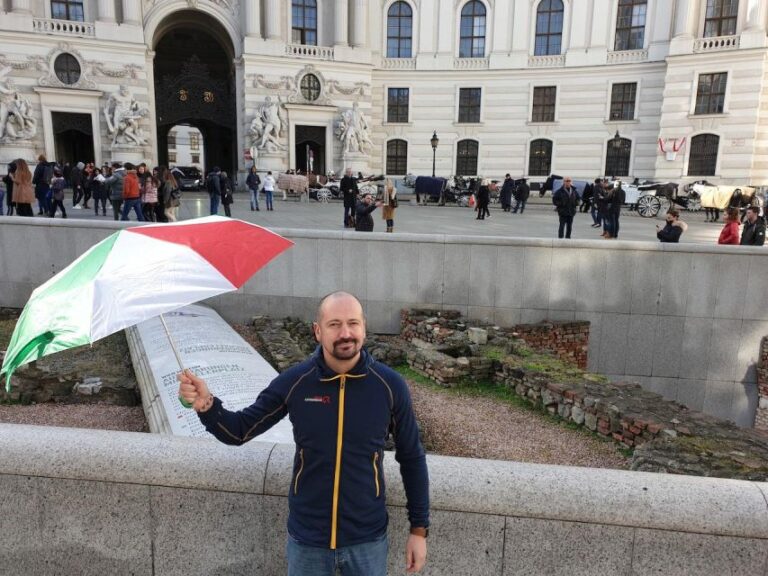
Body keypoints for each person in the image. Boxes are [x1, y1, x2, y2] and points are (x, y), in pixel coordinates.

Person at [177, 291, 430, 576]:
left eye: (353, 323)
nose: (346, 333)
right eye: (334, 324)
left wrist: (419, 530)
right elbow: (239, 431)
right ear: (317, 331)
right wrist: (207, 405)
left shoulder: (389, 386)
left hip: (367, 541)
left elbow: (412, 458)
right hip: (308, 541)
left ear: (364, 327)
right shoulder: (296, 382)